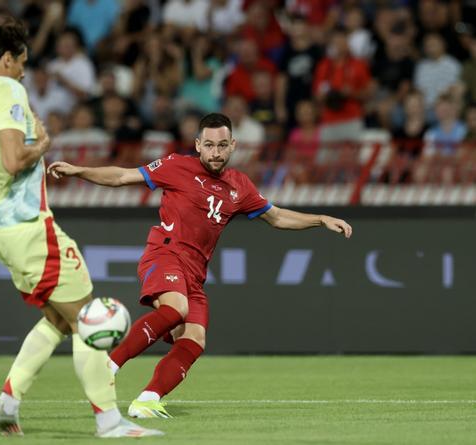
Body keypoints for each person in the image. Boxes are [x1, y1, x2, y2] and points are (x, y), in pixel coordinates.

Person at [47, 112, 352, 418]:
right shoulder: (176, 165)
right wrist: (79, 171)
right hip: (165, 254)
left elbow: (277, 217)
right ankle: (107, 366)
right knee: (176, 309)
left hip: (194, 273)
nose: (215, 152)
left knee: (194, 339)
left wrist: (320, 219)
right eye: (209, 145)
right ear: (198, 144)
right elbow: (123, 176)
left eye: (222, 145)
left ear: (233, 145)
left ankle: (148, 400)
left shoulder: (239, 186)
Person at [0, 19, 162, 439]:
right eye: (21, 63)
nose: (24, 73)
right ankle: (109, 421)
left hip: (1, 224)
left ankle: (6, 404)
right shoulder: (8, 89)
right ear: (7, 58)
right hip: (31, 225)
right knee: (89, 317)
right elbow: (14, 160)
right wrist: (43, 146)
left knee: (60, 319)